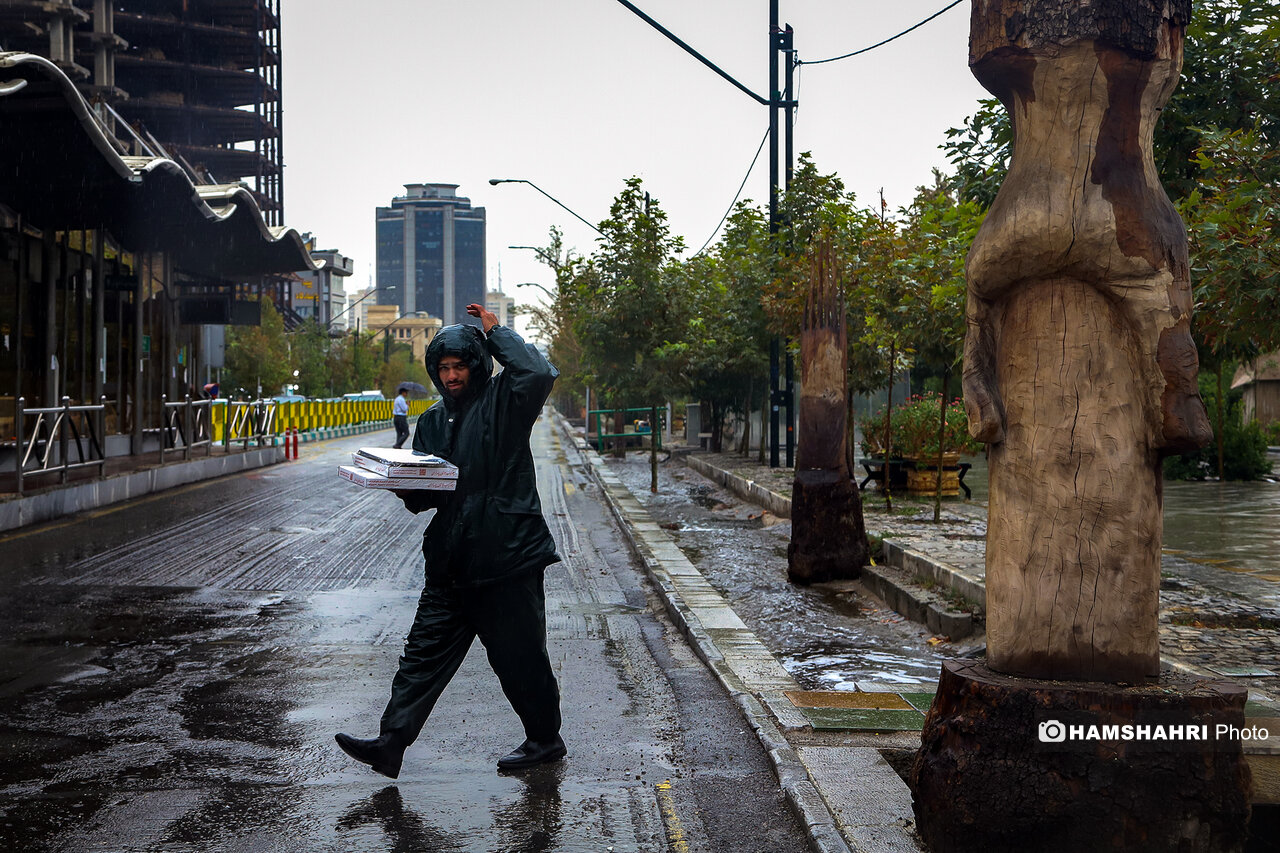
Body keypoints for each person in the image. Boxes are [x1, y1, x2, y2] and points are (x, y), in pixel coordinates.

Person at [335, 303, 563, 778]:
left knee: (519, 658)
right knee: (422, 654)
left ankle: (544, 739)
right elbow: (429, 495)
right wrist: (399, 482)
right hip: (451, 562)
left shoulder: (506, 401)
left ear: (477, 365)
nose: (453, 375)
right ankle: (391, 742)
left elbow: (539, 372)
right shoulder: (434, 420)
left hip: (506, 556)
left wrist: (496, 333)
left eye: (460, 366)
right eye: (444, 368)